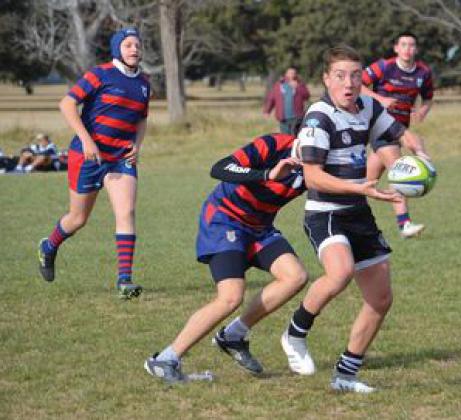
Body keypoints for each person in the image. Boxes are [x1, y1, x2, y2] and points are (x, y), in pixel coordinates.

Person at [280, 45, 427, 393]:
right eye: (341, 76)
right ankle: (295, 332)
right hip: (325, 212)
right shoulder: (319, 117)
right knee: (340, 272)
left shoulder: (369, 106)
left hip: (357, 212)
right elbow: (313, 177)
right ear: (327, 79)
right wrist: (363, 189)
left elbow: (395, 136)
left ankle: (346, 375)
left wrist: (417, 155)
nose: (349, 83)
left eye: (356, 75)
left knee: (380, 299)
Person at [145, 132, 308, 384]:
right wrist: (267, 174)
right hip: (225, 219)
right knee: (230, 297)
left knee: (295, 276)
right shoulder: (274, 144)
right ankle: (166, 359)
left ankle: (233, 335)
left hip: (260, 228)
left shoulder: (320, 163)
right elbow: (220, 168)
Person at [36, 27, 150, 299]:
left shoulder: (144, 82)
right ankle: (48, 247)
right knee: (78, 219)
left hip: (121, 157)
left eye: (138, 44)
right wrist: (87, 141)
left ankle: (124, 281)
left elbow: (143, 118)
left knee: (126, 212)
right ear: (117, 50)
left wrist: (137, 144)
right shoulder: (99, 74)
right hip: (88, 156)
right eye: (128, 45)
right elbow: (66, 104)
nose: (135, 49)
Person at [361, 31, 434, 238]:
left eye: (411, 45)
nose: (407, 49)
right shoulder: (384, 66)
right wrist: (379, 99)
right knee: (401, 171)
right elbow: (359, 84)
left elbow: (428, 97)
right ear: (396, 48)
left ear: (416, 49)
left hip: (400, 128)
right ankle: (405, 224)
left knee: (365, 183)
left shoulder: (423, 72)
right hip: (378, 125)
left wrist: (423, 110)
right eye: (403, 45)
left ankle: (343, 204)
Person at [263, 67, 310, 135]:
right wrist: (267, 111)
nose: (292, 75)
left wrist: (298, 87)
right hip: (283, 117)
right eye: (290, 73)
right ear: (286, 74)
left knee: (296, 136)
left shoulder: (300, 84)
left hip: (296, 117)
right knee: (285, 137)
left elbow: (307, 96)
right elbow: (272, 98)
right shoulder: (279, 85)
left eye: (294, 73)